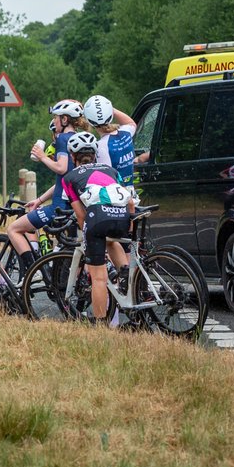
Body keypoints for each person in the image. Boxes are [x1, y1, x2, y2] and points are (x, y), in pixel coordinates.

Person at [7, 99, 88, 274]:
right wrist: (39, 200)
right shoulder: (79, 139)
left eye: (56, 117)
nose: (54, 121)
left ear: (64, 119)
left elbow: (61, 168)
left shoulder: (62, 139)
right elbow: (64, 181)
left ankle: (34, 271)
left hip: (58, 208)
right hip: (74, 207)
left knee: (13, 229)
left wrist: (42, 156)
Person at [61, 132, 133, 324]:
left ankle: (101, 324)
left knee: (99, 278)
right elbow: (128, 200)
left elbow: (80, 215)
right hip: (122, 216)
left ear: (73, 156)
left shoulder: (69, 178)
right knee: (111, 241)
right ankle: (125, 274)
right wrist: (130, 227)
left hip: (98, 219)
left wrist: (87, 237)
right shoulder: (111, 170)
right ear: (95, 155)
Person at [84, 95, 138, 202]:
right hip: (131, 193)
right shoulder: (126, 132)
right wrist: (109, 109)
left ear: (90, 121)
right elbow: (131, 123)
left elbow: (107, 179)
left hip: (118, 198)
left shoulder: (100, 146)